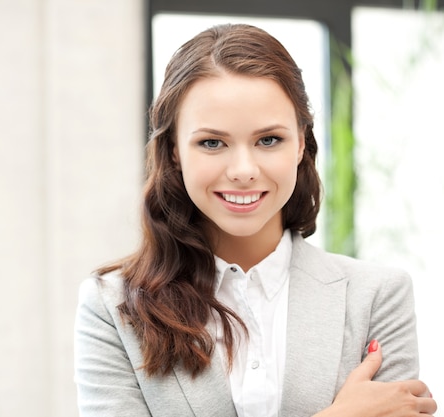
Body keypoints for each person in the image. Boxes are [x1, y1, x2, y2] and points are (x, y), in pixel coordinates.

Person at [73, 23, 437, 417]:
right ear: (174, 151)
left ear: (301, 143)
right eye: (212, 143)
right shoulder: (113, 306)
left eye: (268, 140)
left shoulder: (377, 298)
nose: (243, 170)